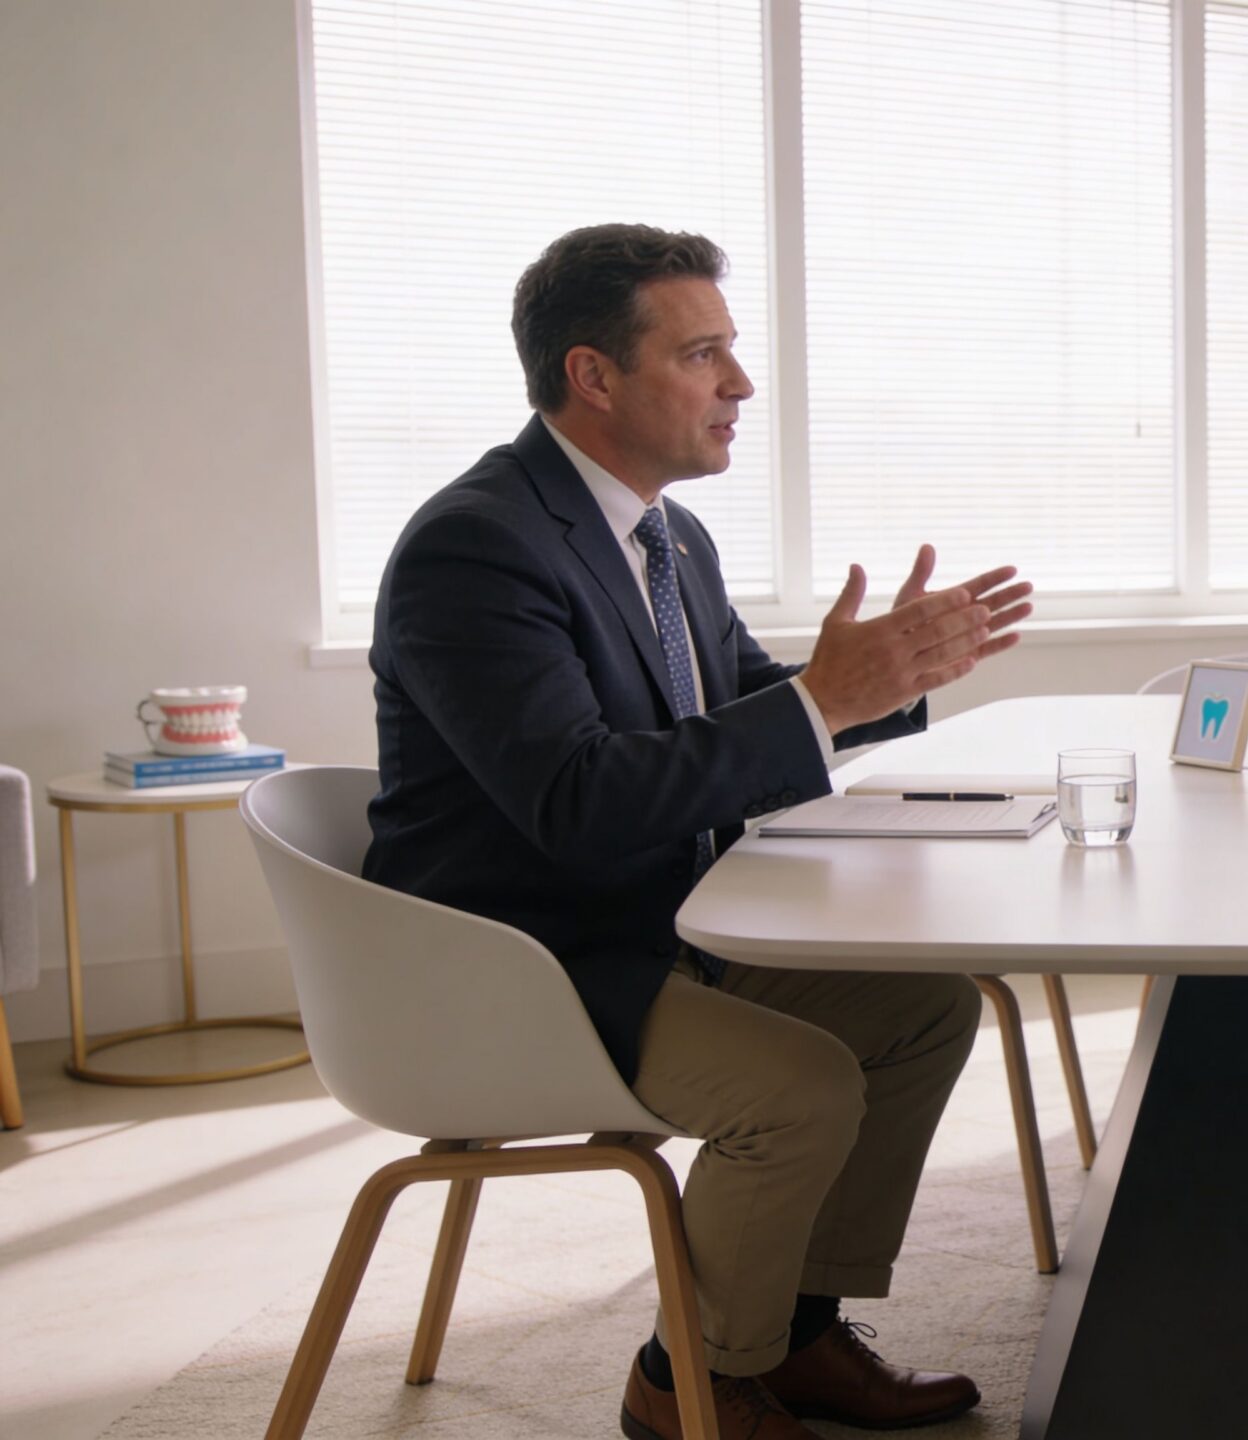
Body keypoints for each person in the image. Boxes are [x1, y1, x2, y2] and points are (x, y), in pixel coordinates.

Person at [364, 224, 1033, 1440]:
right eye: (705, 352)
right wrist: (828, 698)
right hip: (522, 965)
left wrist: (885, 680)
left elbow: (732, 705)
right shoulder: (476, 547)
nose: (740, 385)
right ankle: (687, 1383)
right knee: (799, 1086)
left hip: (642, 925)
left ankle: (794, 1337)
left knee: (924, 1006)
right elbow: (580, 802)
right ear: (594, 375)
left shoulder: (667, 537)